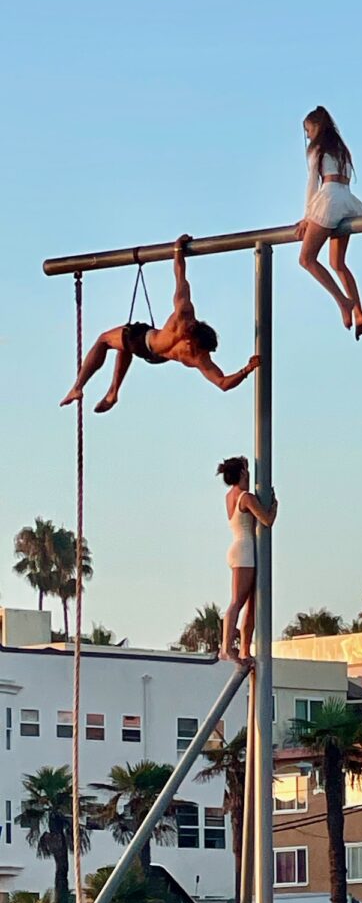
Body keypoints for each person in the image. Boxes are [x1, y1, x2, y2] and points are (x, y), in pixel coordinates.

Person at [60, 236, 260, 413]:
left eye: (197, 348)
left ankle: (79, 387)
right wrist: (177, 250)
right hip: (149, 348)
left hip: (147, 344)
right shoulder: (184, 313)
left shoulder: (200, 357)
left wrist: (247, 370)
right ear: (192, 330)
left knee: (105, 340)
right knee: (124, 345)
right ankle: (112, 393)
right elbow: (180, 277)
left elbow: (222, 383)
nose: (191, 348)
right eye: (193, 343)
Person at [296, 106, 362, 339]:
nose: (307, 135)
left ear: (316, 127)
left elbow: (312, 183)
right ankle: (358, 311)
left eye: (308, 130)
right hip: (346, 198)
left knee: (306, 259)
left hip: (330, 200)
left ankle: (343, 303)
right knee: (337, 263)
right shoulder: (341, 148)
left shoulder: (317, 148)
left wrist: (308, 216)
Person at [217, 456, 278, 662]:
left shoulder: (229, 496)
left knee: (251, 603)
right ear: (243, 473)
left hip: (240, 548)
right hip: (244, 550)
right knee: (238, 601)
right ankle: (227, 647)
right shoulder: (246, 497)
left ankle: (244, 648)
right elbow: (266, 520)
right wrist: (274, 504)